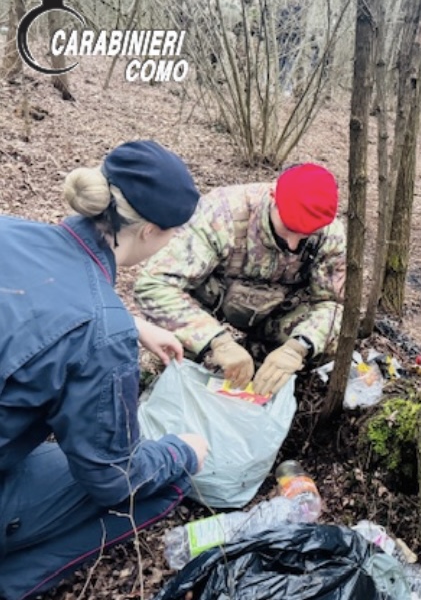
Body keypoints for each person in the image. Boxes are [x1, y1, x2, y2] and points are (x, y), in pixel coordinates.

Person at [0, 140, 210, 599]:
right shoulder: (103, 332)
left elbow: (34, 300)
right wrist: (184, 451)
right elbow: (114, 478)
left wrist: (133, 323)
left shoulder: (8, 231)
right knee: (158, 484)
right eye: (174, 233)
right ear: (151, 231)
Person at [134, 163, 346, 397]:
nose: (294, 244)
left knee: (330, 344)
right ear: (273, 198)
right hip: (213, 301)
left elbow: (332, 304)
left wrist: (299, 347)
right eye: (288, 228)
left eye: (305, 235)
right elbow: (154, 284)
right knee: (179, 354)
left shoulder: (329, 234)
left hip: (278, 311)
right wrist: (215, 340)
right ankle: (176, 381)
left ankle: (267, 375)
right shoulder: (222, 213)